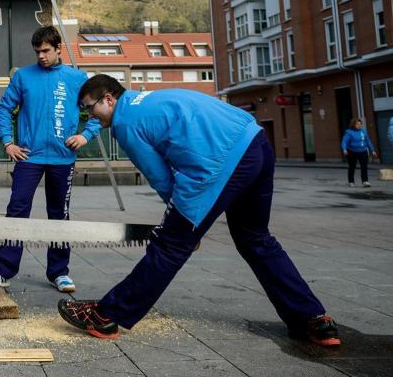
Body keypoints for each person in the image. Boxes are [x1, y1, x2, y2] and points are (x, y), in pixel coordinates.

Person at [57, 74, 340, 347]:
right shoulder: (147, 100)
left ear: (108, 99)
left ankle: (108, 316)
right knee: (255, 238)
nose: (89, 116)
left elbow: (162, 179)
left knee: (169, 245)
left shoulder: (125, 123)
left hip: (218, 162)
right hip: (255, 143)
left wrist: (182, 223)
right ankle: (311, 319)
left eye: (89, 108)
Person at [0, 26, 101, 294]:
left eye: (46, 51)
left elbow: (97, 110)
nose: (41, 56)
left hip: (63, 158)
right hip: (29, 157)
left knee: (59, 215)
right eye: (37, 52)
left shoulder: (77, 78)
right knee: (17, 210)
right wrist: (8, 142)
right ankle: (2, 270)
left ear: (58, 49)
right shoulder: (23, 76)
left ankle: (59, 272)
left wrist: (85, 136)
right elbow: (4, 108)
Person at [341, 118, 377, 188]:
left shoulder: (364, 131)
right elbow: (344, 141)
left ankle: (365, 181)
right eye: (357, 124)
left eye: (360, 124)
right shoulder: (349, 132)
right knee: (352, 166)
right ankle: (351, 181)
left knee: (364, 166)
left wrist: (373, 150)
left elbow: (368, 141)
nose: (359, 125)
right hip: (352, 152)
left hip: (363, 151)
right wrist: (344, 149)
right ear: (353, 124)